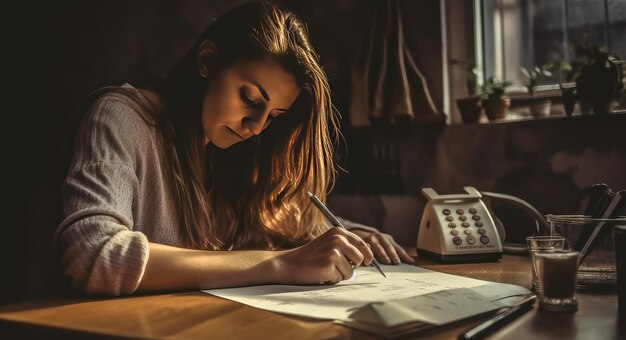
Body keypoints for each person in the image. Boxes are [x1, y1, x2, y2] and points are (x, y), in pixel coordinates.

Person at [54, 1, 414, 296]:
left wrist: (346, 235)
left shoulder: (233, 153)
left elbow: (283, 218)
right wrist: (278, 264)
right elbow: (94, 253)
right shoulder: (120, 118)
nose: (256, 127)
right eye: (250, 98)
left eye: (274, 115)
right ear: (207, 62)